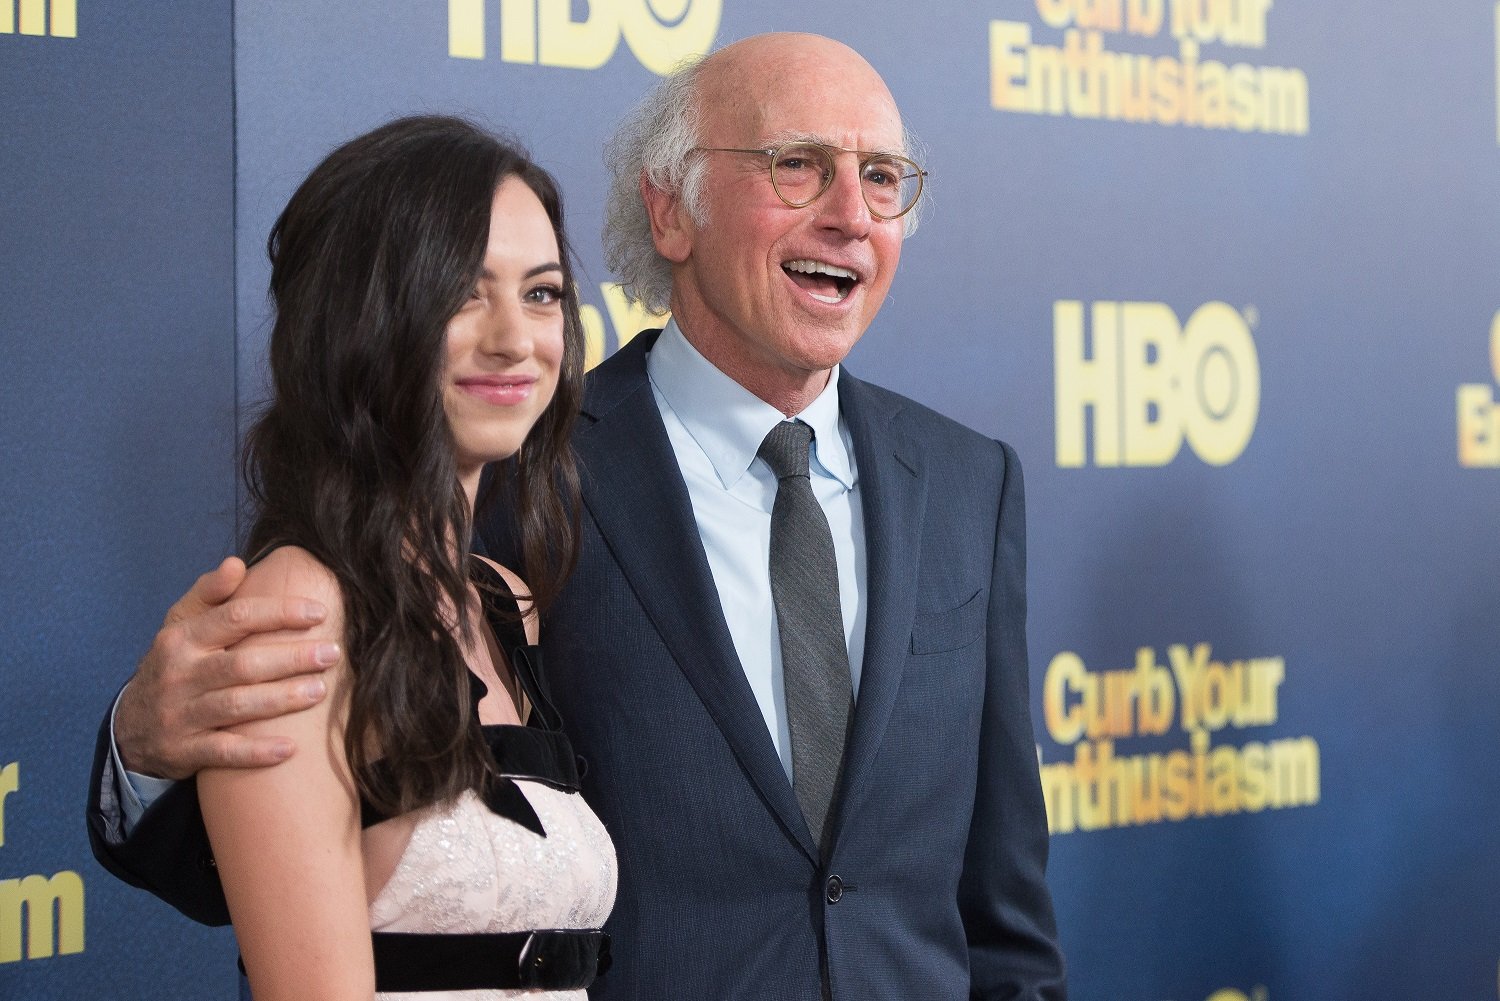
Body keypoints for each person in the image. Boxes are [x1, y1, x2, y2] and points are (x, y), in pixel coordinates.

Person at [89, 34, 1067, 1000]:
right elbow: (330, 859)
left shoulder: (968, 482)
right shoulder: (511, 477)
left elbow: (1004, 910)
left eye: (884, 176)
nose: (852, 214)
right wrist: (146, 748)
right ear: (670, 209)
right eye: (798, 166)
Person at [91, 114, 616, 1000]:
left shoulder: (504, 601)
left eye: (542, 292)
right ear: (364, 315)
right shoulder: (299, 610)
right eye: (460, 291)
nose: (514, 338)